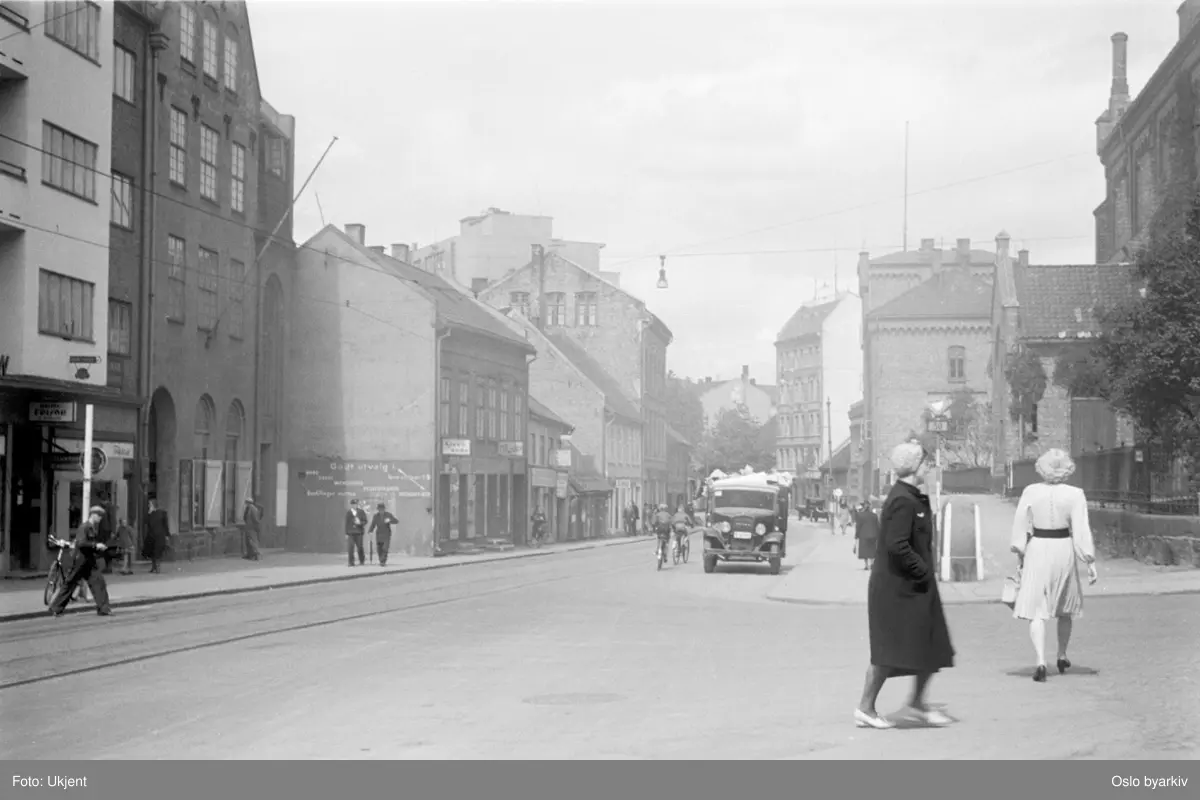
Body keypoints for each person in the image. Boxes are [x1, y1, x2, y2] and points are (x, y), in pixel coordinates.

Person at [856, 441, 955, 730]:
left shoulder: (911, 496)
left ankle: (917, 702)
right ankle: (865, 708)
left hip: (914, 586)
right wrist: (923, 570)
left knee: (932, 644)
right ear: (915, 466)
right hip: (897, 589)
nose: (929, 467)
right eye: (926, 462)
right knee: (889, 650)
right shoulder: (902, 499)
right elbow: (897, 545)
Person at [1010, 449, 1098, 683]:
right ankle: (1061, 654)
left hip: (1038, 547)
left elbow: (1020, 523)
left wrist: (1019, 551)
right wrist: (1088, 560)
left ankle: (1040, 660)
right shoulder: (1075, 494)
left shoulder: (1030, 491)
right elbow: (1081, 529)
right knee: (1064, 607)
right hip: (1063, 547)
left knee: (1037, 609)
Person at [48, 505, 112, 617]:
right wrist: (96, 545)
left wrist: (97, 548)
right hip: (80, 559)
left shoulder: (92, 527)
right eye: (99, 516)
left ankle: (104, 609)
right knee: (70, 583)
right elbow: (81, 543)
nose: (100, 518)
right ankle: (55, 608)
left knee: (98, 582)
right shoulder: (85, 527)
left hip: (89, 560)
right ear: (93, 515)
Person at [143, 497, 171, 573]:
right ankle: (153, 566)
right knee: (151, 551)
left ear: (153, 505)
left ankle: (158, 567)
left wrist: (167, 535)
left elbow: (165, 525)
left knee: (158, 551)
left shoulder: (162, 513)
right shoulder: (150, 514)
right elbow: (145, 522)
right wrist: (149, 513)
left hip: (160, 535)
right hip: (151, 535)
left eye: (150, 504)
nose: (149, 506)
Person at [853, 499, 879, 571]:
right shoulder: (874, 515)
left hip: (863, 535)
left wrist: (856, 535)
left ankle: (866, 565)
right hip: (873, 535)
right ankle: (872, 564)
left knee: (864, 551)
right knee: (872, 550)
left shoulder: (860, 515)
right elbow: (878, 526)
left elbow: (858, 526)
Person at [345, 499, 368, 566]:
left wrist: (360, 523)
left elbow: (365, 521)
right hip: (351, 533)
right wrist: (346, 533)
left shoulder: (361, 512)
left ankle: (361, 560)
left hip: (359, 532)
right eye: (353, 504)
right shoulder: (349, 512)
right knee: (350, 548)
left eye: (355, 504)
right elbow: (347, 523)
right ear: (351, 505)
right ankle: (351, 562)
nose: (354, 505)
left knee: (360, 547)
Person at [242, 496, 263, 561]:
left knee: (252, 541)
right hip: (248, 527)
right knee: (248, 541)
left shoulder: (253, 509)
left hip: (252, 528)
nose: (246, 503)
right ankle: (249, 554)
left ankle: (257, 554)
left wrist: (257, 527)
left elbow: (255, 519)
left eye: (247, 502)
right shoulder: (248, 508)